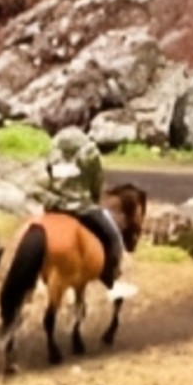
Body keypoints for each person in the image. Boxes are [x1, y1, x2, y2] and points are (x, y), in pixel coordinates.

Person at [38, 126, 138, 303]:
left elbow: (49, 176)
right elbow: (96, 181)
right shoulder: (90, 152)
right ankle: (112, 279)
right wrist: (93, 199)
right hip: (81, 207)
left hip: (53, 207)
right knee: (113, 237)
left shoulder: (54, 149)